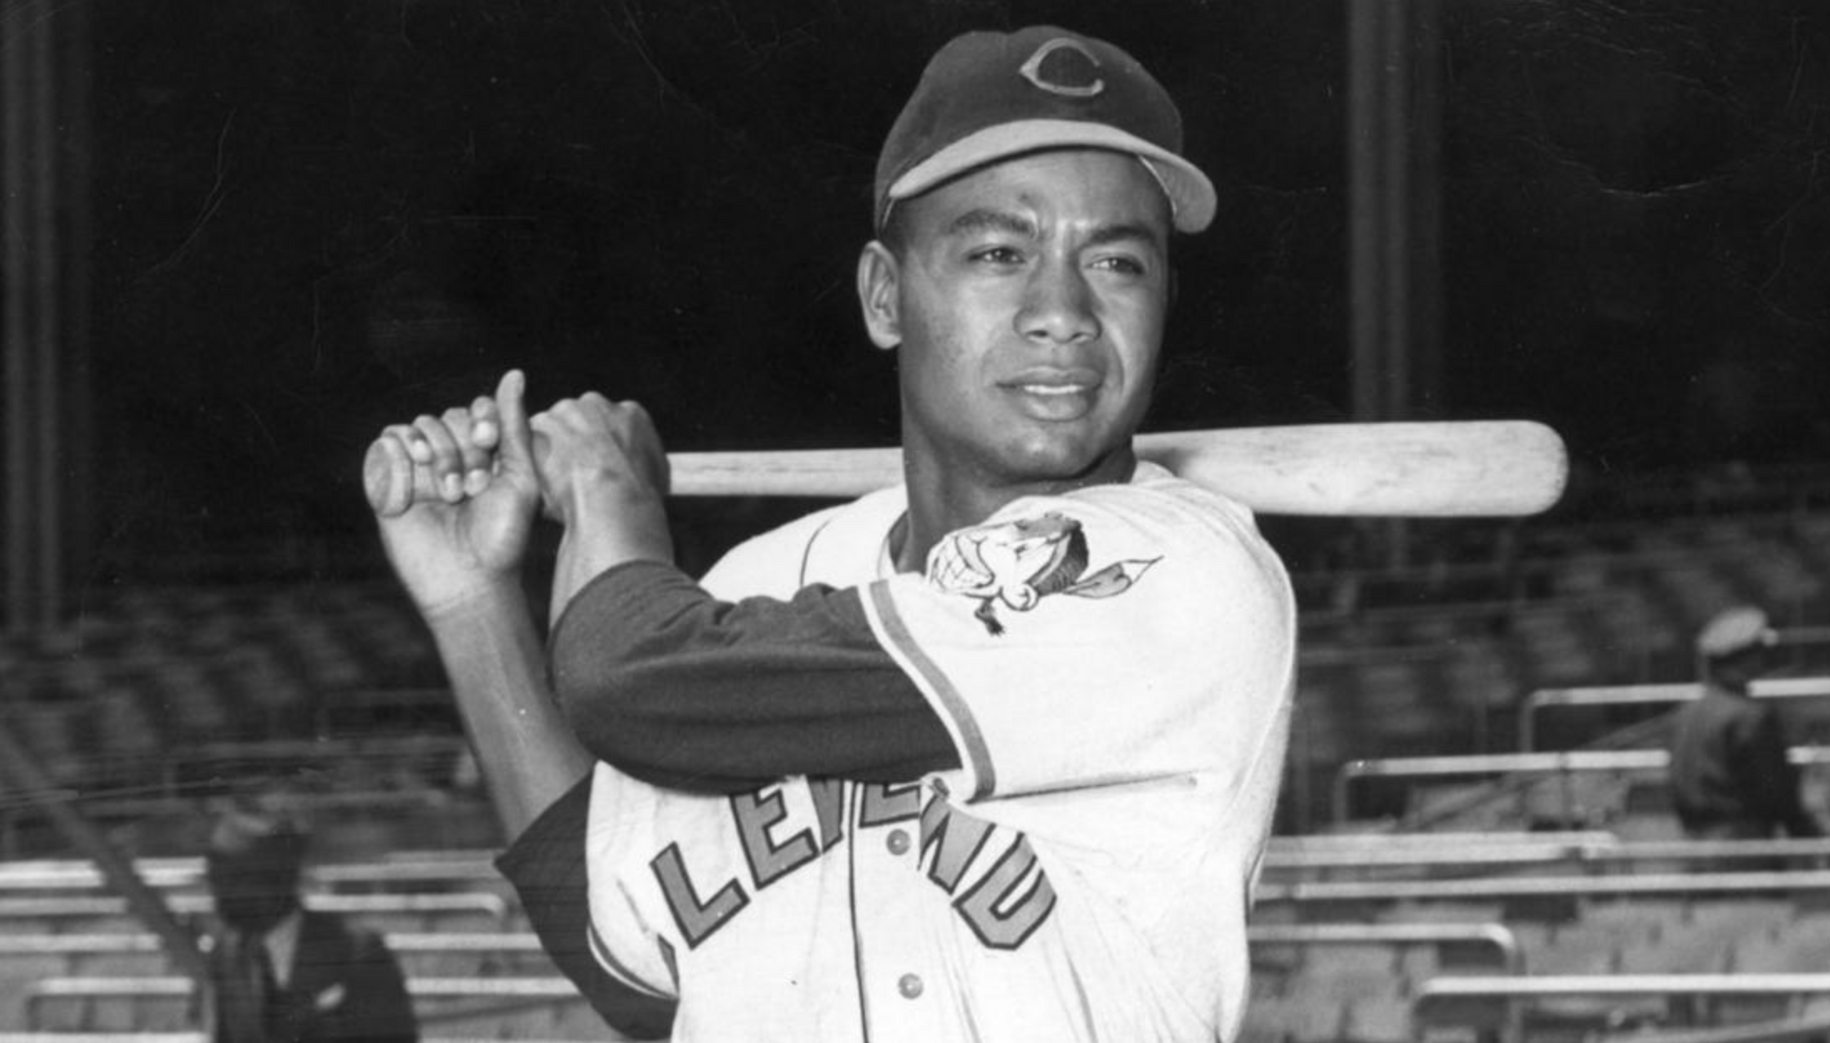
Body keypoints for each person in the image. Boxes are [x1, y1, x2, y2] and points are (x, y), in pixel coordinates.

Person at [367, 24, 1295, 1043]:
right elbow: (622, 952)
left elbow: (624, 673)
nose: (1061, 311)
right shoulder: (760, 582)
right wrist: (471, 604)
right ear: (885, 296)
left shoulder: (1176, 571)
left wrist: (612, 503)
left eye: (1116, 261)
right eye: (998, 251)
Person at [198, 794, 418, 1043]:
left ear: (278, 879)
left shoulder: (358, 952)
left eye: (233, 880)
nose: (218, 896)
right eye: (216, 880)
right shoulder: (227, 956)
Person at [1667, 604, 1824, 842]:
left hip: (1694, 842)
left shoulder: (1686, 713)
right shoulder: (1750, 716)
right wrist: (1807, 833)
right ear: (1750, 658)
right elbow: (1775, 790)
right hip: (1743, 844)